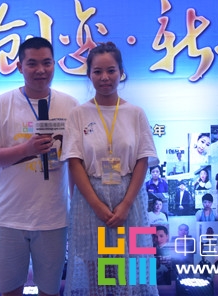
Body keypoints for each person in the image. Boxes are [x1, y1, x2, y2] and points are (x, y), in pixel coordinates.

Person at [0, 37, 78, 296]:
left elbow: (76, 161)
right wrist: (27, 149)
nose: (40, 70)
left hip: (53, 216)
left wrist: (77, 206)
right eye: (32, 64)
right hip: (9, 215)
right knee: (10, 291)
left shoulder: (71, 105)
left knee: (50, 291)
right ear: (20, 67)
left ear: (54, 64)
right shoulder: (0, 105)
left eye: (47, 63)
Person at [62, 42, 156, 295]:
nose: (104, 77)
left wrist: (125, 204)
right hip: (91, 199)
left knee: (132, 267)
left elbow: (143, 160)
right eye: (97, 71)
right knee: (96, 269)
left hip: (130, 199)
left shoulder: (135, 113)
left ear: (121, 72)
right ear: (89, 74)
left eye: (111, 70)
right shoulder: (78, 114)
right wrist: (97, 206)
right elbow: (74, 162)